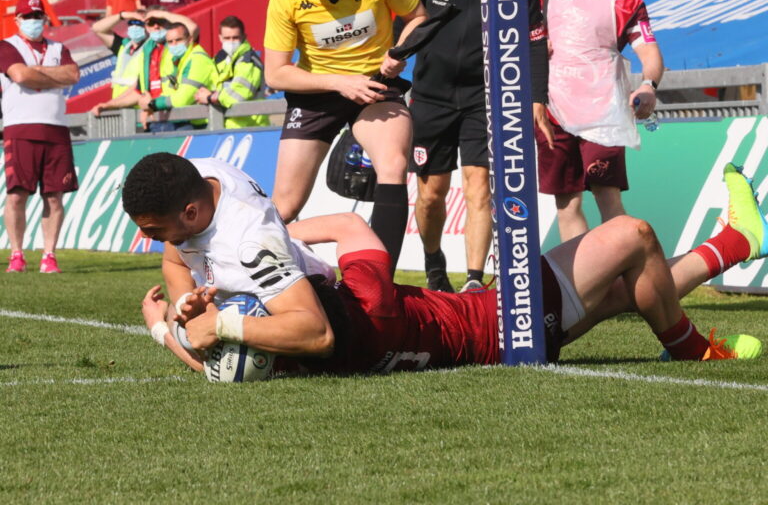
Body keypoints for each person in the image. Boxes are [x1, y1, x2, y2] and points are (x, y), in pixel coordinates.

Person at [139, 162, 765, 377]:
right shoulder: (362, 305)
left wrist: (166, 330)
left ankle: (738, 241)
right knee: (634, 236)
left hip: (494, 338)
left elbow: (212, 355)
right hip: (501, 319)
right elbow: (353, 230)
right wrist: (281, 237)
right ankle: (689, 350)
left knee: (632, 292)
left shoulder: (290, 360)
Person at [122, 153, 340, 369]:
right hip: (247, 294)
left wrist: (220, 325)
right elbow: (174, 263)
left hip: (298, 293)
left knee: (224, 364)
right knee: (183, 326)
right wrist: (187, 304)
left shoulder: (252, 244)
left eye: (152, 229)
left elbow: (318, 334)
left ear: (190, 213)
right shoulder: (191, 180)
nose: (142, 236)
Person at [263, 0, 428, 274]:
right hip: (316, 94)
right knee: (285, 207)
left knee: (394, 165)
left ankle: (380, 285)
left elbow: (419, 17)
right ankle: (249, 264)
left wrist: (399, 51)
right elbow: (275, 75)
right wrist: (338, 82)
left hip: (374, 85)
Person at [410, 0, 554, 293]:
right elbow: (406, 19)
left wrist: (538, 96)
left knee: (479, 185)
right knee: (431, 194)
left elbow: (535, 38)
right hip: (430, 97)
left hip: (485, 96)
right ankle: (433, 260)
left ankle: (474, 279)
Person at [536, 0, 664, 243]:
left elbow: (650, 52)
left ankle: (621, 276)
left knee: (607, 196)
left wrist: (649, 85)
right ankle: (586, 281)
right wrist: (534, 48)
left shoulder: (625, 2)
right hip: (552, 114)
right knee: (567, 204)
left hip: (604, 113)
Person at [0, 0, 80, 274]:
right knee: (17, 195)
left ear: (45, 19)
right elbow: (20, 75)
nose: (34, 21)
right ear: (18, 19)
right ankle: (17, 254)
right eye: (28, 17)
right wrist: (52, 75)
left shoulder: (59, 47)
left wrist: (38, 72)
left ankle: (49, 255)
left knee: (55, 196)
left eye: (38, 16)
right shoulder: (7, 46)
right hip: (20, 126)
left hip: (55, 127)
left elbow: (72, 75)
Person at [90, 10, 198, 119]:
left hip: (162, 111)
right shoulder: (133, 48)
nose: (156, 26)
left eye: (160, 21)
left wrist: (163, 14)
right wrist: (124, 14)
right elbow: (138, 90)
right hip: (135, 109)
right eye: (151, 23)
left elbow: (191, 28)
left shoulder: (172, 47)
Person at [138, 22, 216, 132]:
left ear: (189, 40)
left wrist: (152, 105)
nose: (174, 45)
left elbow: (181, 100)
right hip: (191, 121)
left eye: (178, 40)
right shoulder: (180, 60)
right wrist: (149, 105)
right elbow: (171, 93)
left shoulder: (197, 59)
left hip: (205, 125)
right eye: (170, 42)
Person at [194, 15, 269, 129]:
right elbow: (216, 87)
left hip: (252, 127)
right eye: (227, 38)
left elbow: (237, 95)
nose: (231, 42)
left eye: (235, 38)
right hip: (226, 125)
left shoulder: (249, 62)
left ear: (244, 37)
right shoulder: (220, 60)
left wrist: (210, 97)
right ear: (220, 38)